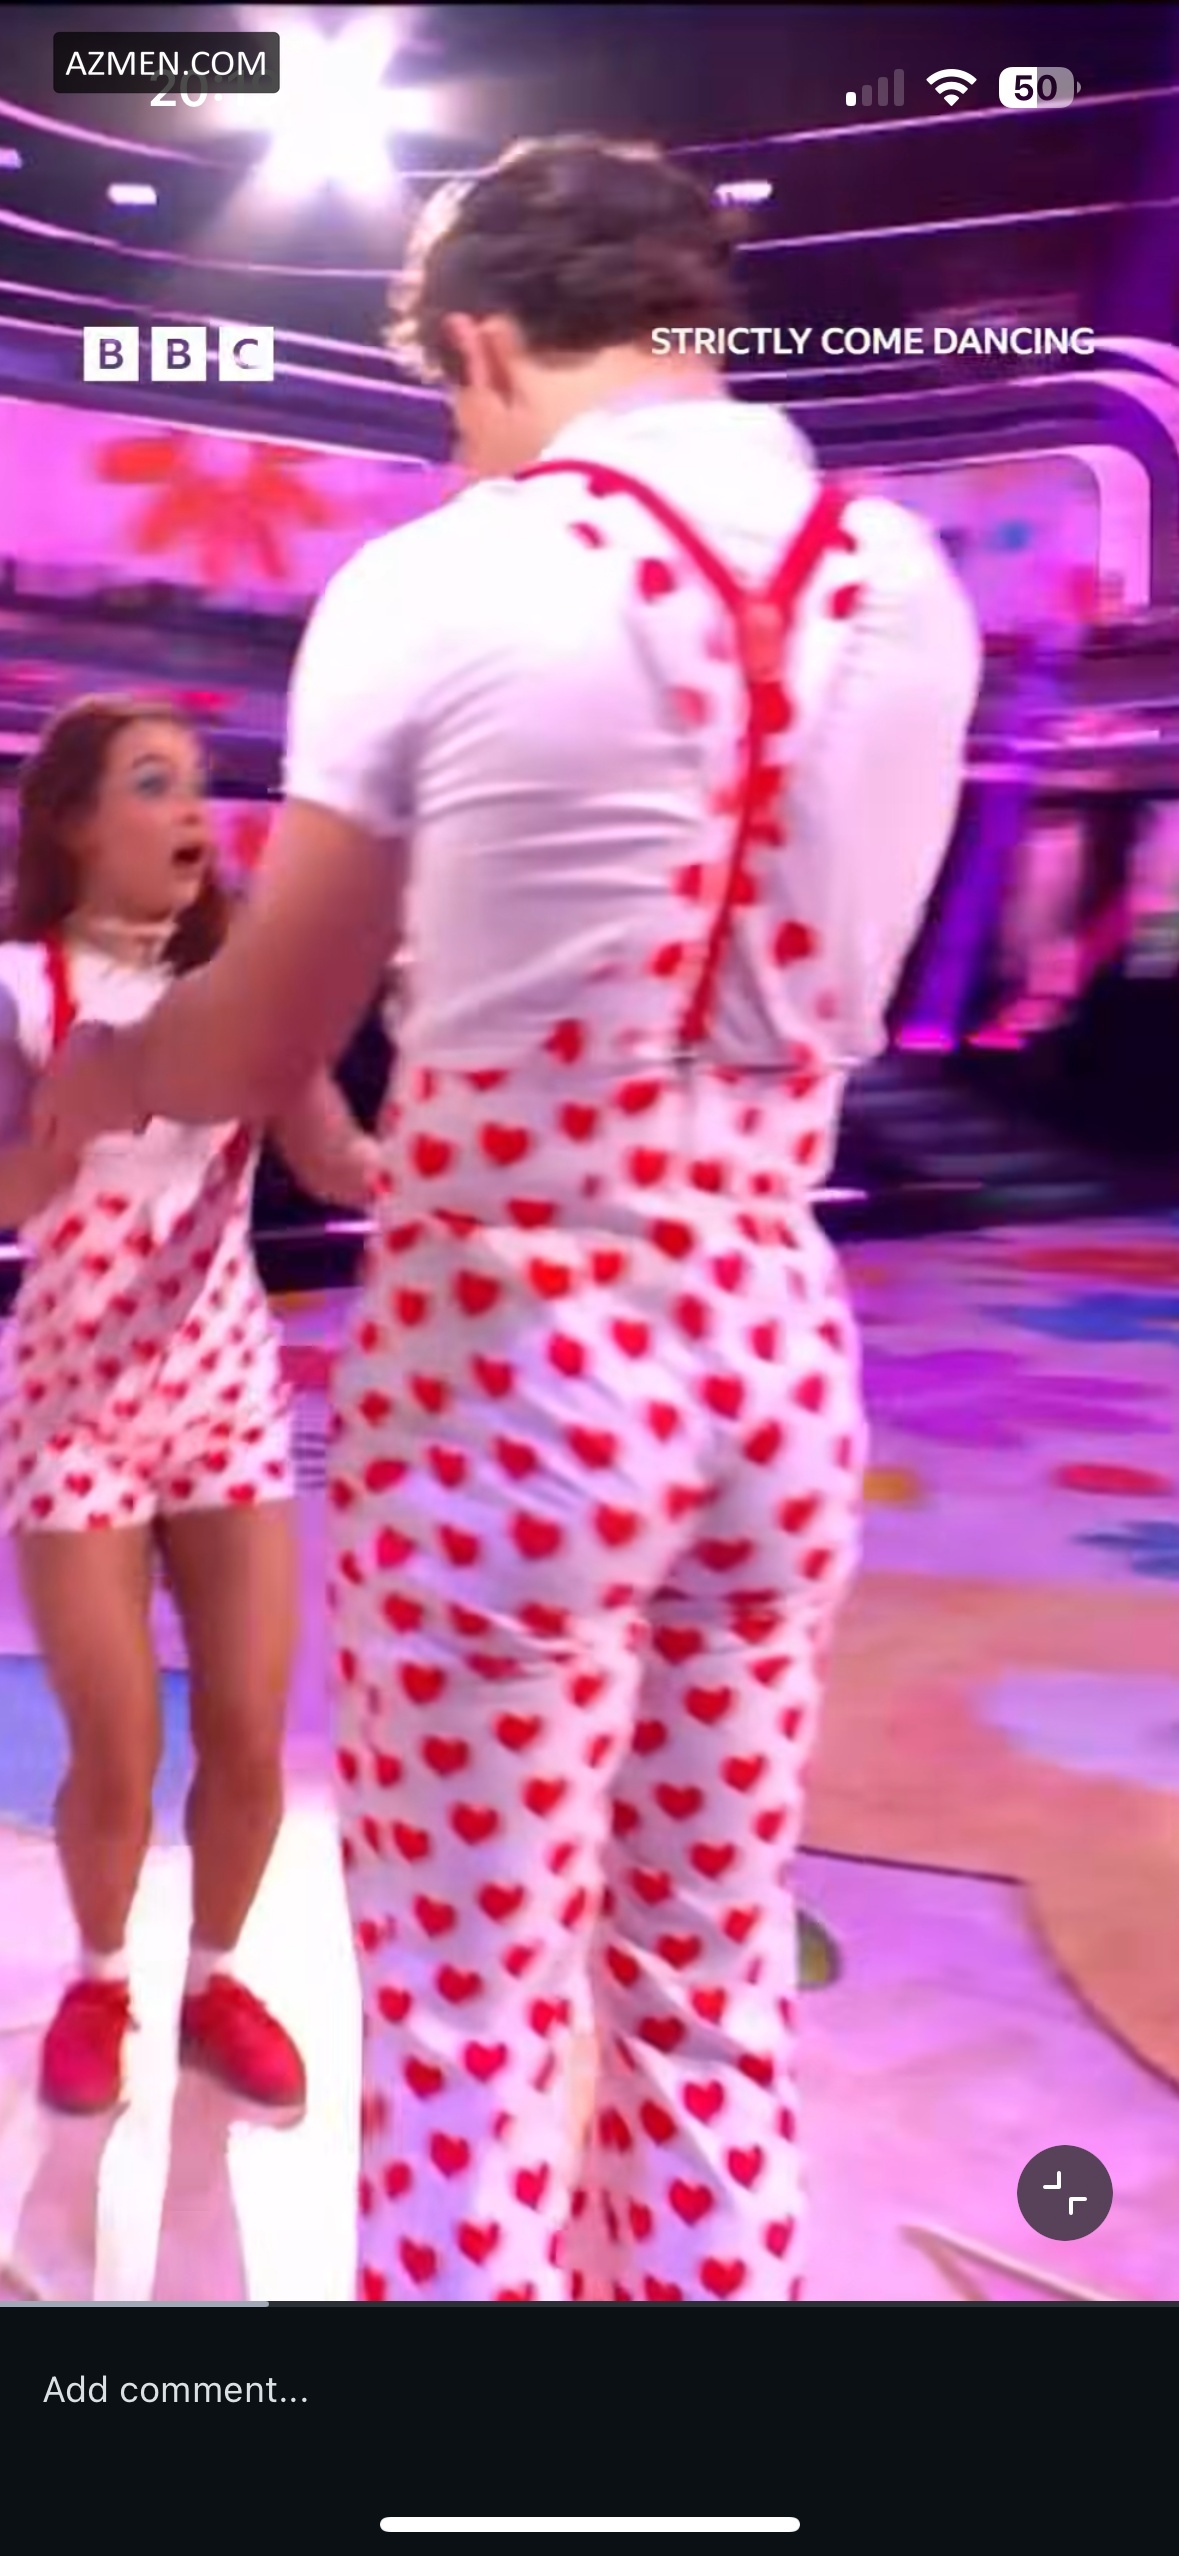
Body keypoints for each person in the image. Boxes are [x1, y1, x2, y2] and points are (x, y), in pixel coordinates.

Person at [35, 138, 982, 2299]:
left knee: (469, 2010)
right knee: (706, 1979)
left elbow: (265, 1036)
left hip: (513, 1372)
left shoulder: (443, 581)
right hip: (777, 1348)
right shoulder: (905, 575)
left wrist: (123, 1067)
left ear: (474, 343)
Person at [0, 695, 376, 2119]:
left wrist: (478, 1157)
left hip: (224, 1388)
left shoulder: (240, 987)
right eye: (153, 784)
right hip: (71, 1401)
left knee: (248, 1729)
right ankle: (99, 1981)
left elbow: (338, 1161)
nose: (191, 813)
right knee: (117, 1745)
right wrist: (68, 1125)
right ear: (72, 823)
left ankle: (217, 1981)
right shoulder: (18, 988)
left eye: (199, 785)